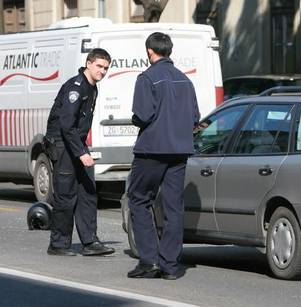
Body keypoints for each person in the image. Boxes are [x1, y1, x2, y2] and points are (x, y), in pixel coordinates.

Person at [127, 32, 200, 280]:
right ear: (169, 51)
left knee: (138, 199)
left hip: (152, 149)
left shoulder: (147, 78)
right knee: (173, 207)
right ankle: (170, 265)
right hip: (180, 151)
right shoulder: (185, 80)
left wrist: (136, 120)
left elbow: (143, 115)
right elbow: (194, 119)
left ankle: (149, 261)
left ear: (149, 52)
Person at [45, 48, 115, 257]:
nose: (102, 71)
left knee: (88, 192)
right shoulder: (75, 87)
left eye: (106, 68)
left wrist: (82, 149)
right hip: (63, 144)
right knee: (66, 196)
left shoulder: (92, 87)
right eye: (99, 66)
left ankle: (90, 241)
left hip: (76, 143)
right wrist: (81, 153)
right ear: (88, 64)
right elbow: (66, 125)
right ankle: (58, 244)